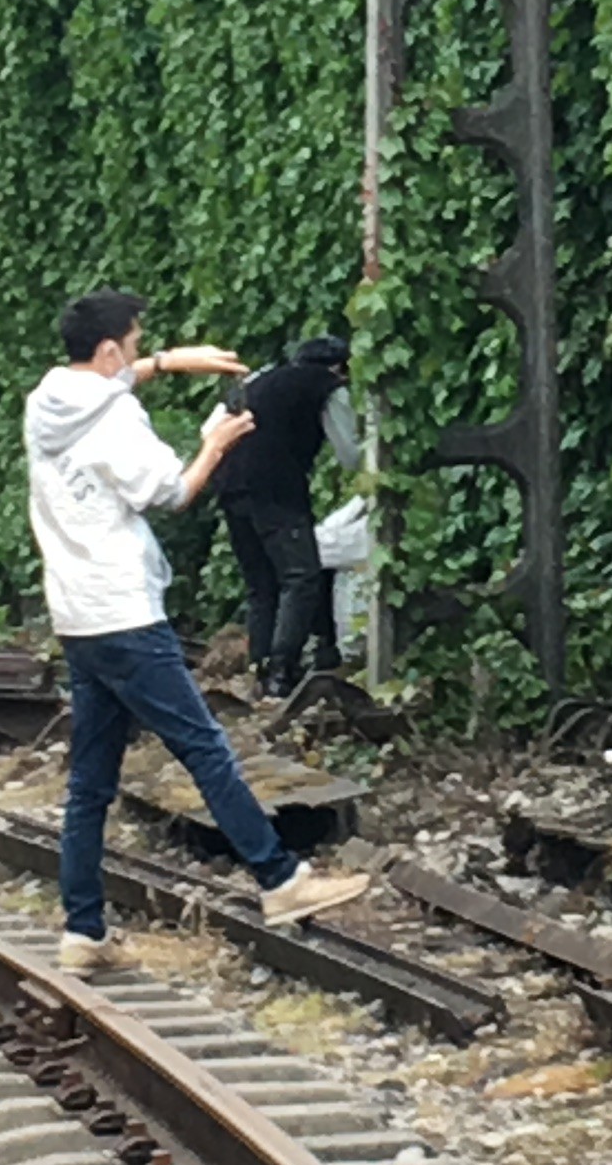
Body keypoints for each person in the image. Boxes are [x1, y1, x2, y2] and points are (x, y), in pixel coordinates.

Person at [29, 289, 370, 976]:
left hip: (76, 614)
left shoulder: (48, 399)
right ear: (108, 351)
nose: (137, 348)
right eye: (134, 340)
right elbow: (172, 494)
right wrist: (214, 443)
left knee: (91, 781)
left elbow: (109, 381)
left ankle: (83, 930)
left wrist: (164, 361)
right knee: (205, 748)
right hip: (126, 612)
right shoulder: (117, 418)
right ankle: (281, 880)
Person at [203, 335, 356, 699]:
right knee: (301, 577)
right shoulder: (328, 386)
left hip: (229, 484)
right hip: (277, 486)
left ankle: (260, 672)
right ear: (339, 367)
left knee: (262, 584)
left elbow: (209, 431)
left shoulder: (257, 379)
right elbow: (350, 454)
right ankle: (282, 672)